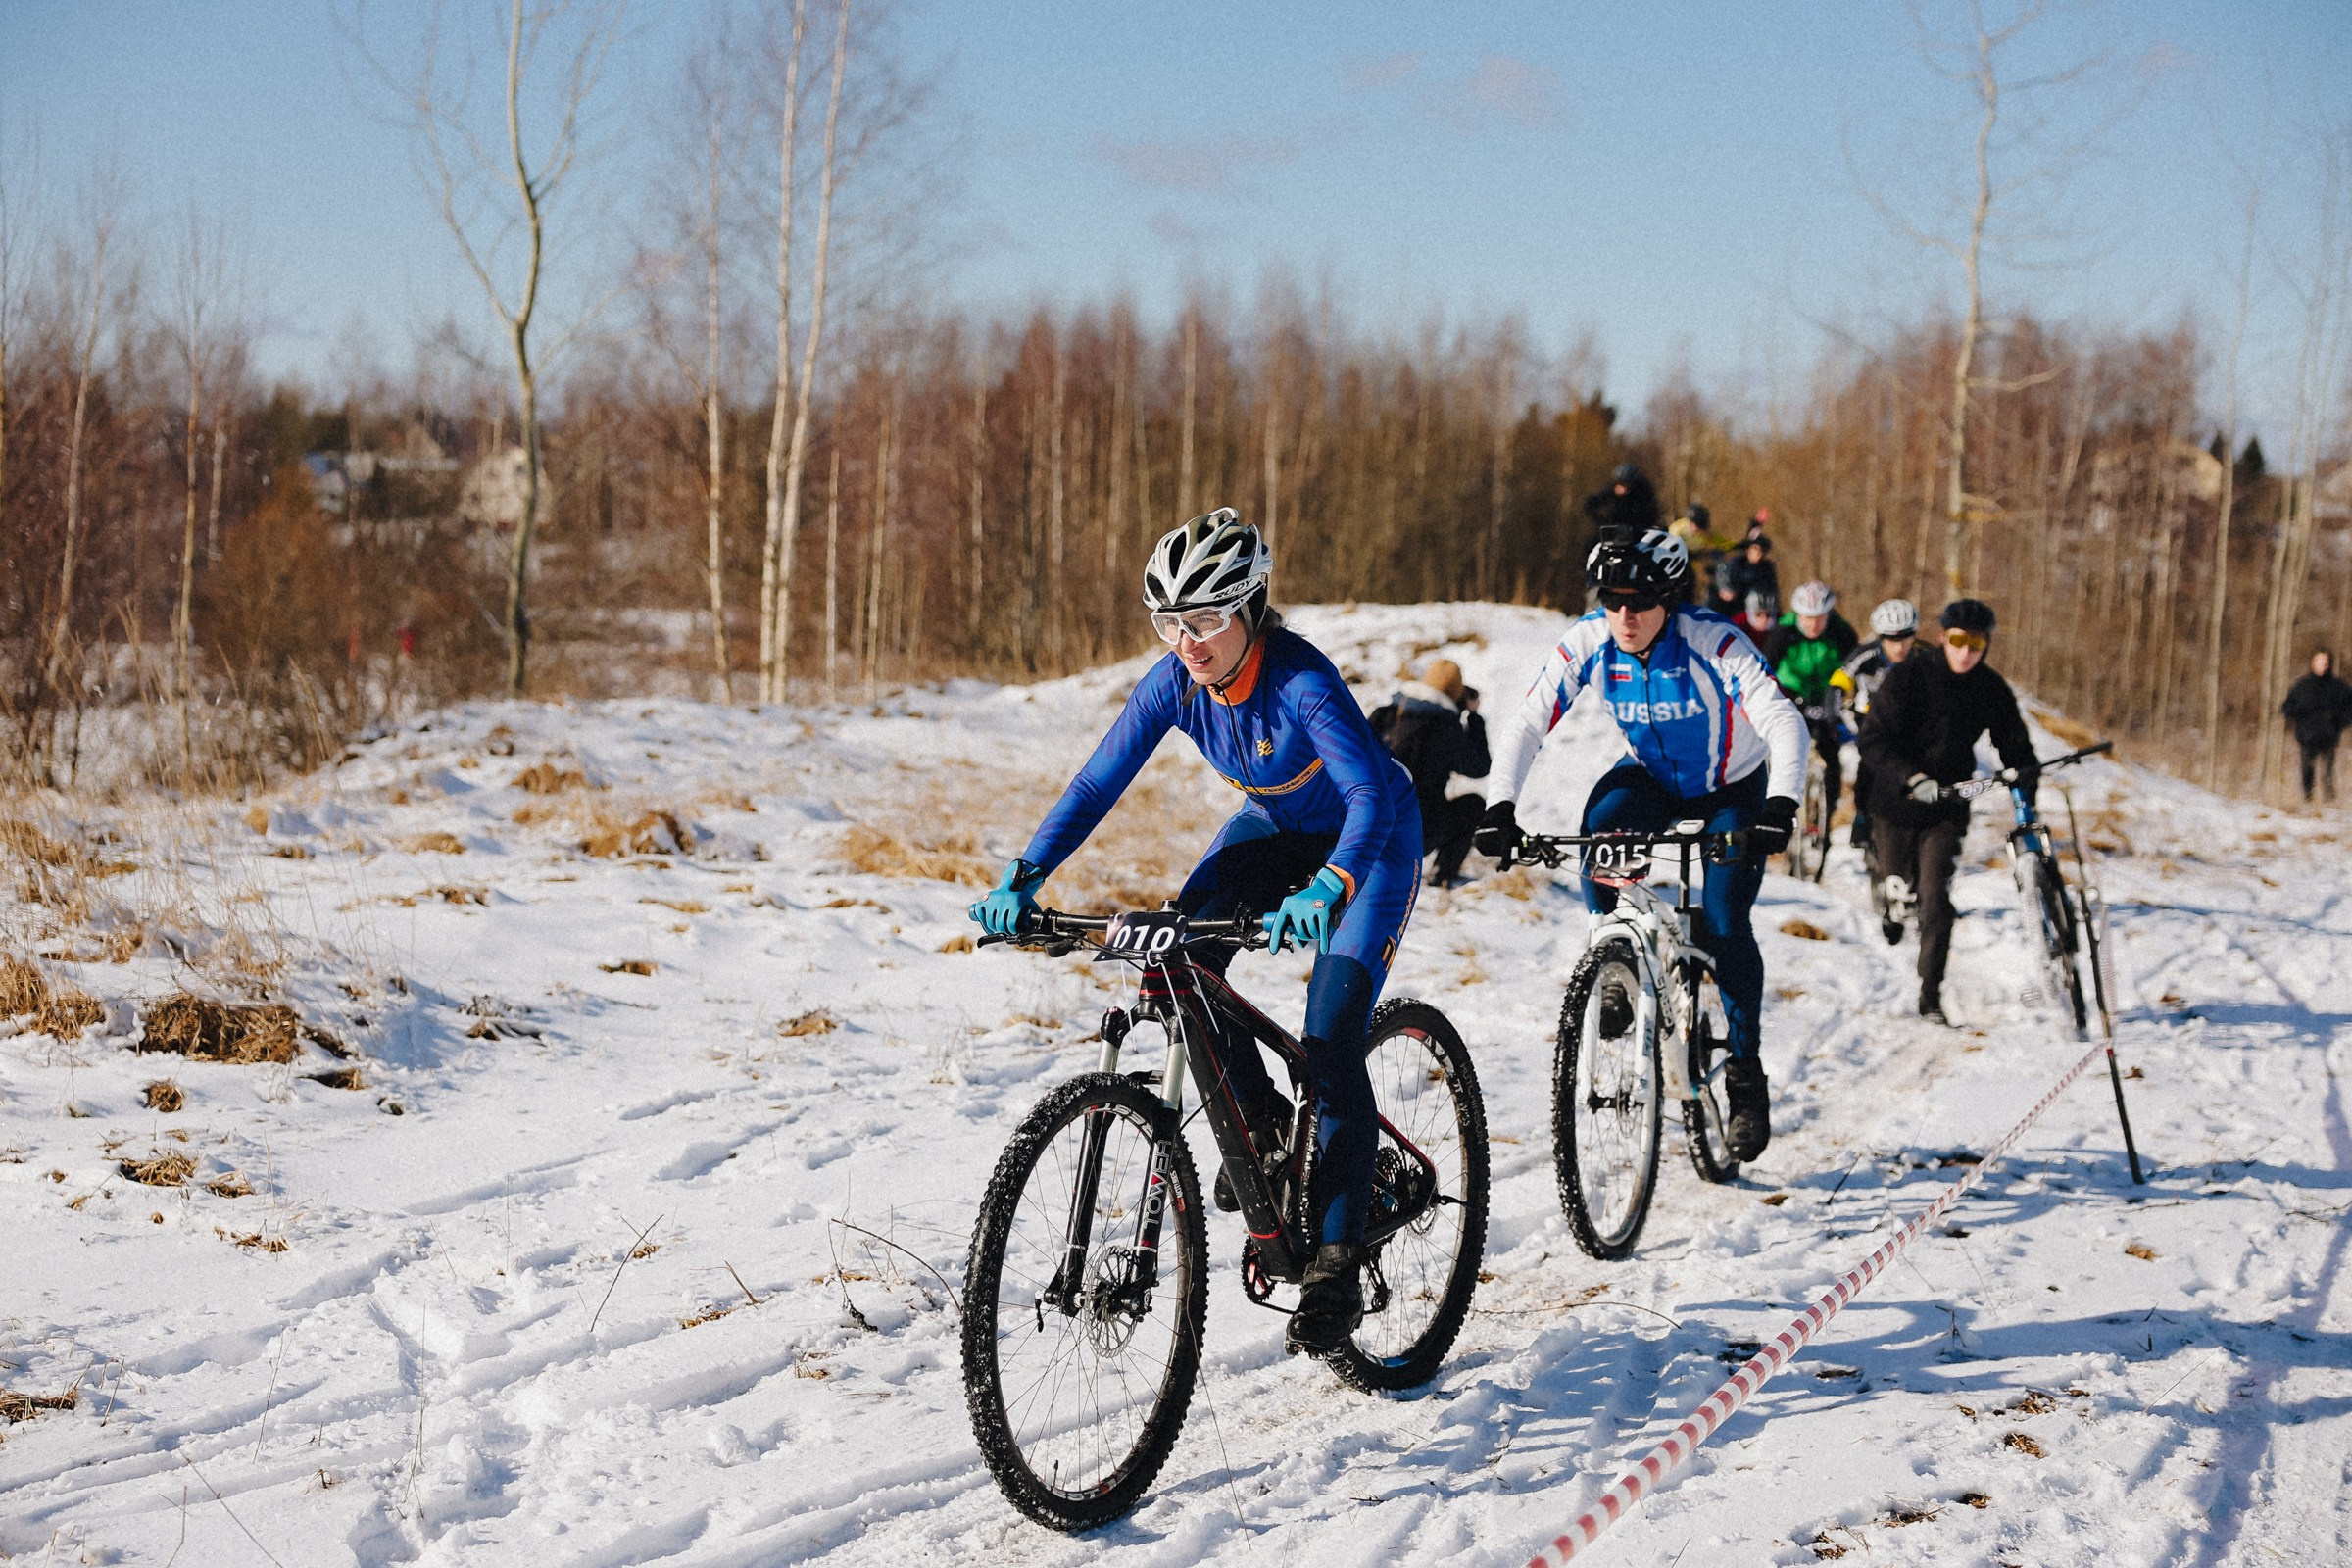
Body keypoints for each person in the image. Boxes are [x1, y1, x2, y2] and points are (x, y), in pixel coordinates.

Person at [969, 508, 1422, 1355]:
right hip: (1274, 829)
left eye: (1208, 618)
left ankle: (1336, 1260)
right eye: (1170, 622)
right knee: (1179, 958)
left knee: (1330, 1038)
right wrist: (1024, 876)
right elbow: (1098, 781)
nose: (1188, 640)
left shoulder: (1302, 683)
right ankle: (1262, 1132)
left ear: (1252, 608)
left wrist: (1330, 886)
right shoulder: (1174, 682)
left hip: (1374, 842)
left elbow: (1366, 799)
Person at [1472, 528, 1808, 1160]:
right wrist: (1501, 808)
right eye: (1611, 599)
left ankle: (1744, 1073)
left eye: (1640, 601)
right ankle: (1618, 958)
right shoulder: (1591, 642)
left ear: (1671, 599)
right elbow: (1526, 723)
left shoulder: (1714, 643)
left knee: (1727, 920)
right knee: (1599, 825)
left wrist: (1781, 804)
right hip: (1651, 779)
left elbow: (1782, 718)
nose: (1624, 615)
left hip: (1732, 787)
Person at [1856, 599, 2038, 1025]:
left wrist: (2024, 778)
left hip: (1947, 808)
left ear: (1986, 645)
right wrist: (1912, 778)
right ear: (1943, 638)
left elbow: (2015, 744)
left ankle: (1930, 995)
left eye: (1976, 643)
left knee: (1936, 901)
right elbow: (1873, 741)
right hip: (1894, 804)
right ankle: (1889, 890)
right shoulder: (1907, 678)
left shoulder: (1990, 688)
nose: (1965, 652)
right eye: (1958, 641)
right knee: (1898, 879)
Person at [1369, 658, 1492, 887]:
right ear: (1457, 695)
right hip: (1417, 834)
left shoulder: (1385, 714)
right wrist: (1473, 717)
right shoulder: (1447, 729)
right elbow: (1480, 767)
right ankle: (1442, 876)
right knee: (1473, 805)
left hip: (1371, 824)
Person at [1762, 581, 1861, 828]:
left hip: (1827, 695)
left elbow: (1856, 669)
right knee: (1788, 743)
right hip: (1790, 693)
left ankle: (1828, 808)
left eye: (1819, 619)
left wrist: (1846, 698)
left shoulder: (1842, 632)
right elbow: (1765, 669)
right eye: (1807, 618)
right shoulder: (1783, 632)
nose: (1813, 625)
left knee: (1830, 746)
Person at [1842, 599, 1919, 849]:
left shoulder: (1923, 656)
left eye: (1906, 637)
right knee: (1870, 764)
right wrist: (1837, 716)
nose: (1899, 646)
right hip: (1869, 721)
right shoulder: (1865, 655)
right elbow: (1838, 684)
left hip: (1910, 725)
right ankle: (1862, 817)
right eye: (1891, 639)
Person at [2280, 649, 2352, 804]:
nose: (2323, 665)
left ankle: (2329, 801)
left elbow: (2349, 708)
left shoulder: (2338, 687)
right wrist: (2298, 719)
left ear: (2330, 664)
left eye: (2325, 662)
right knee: (2307, 769)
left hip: (2329, 735)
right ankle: (2308, 798)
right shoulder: (2302, 686)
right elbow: (2287, 707)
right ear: (2313, 663)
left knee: (2328, 770)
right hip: (2307, 736)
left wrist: (2341, 723)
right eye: (2319, 661)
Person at [1584, 462, 1661, 546]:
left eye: (1626, 485)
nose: (1622, 489)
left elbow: (1651, 512)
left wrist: (1639, 527)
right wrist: (1603, 521)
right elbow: (1591, 505)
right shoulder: (1610, 489)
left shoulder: (1643, 492)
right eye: (1620, 484)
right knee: (1590, 544)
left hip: (1637, 529)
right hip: (1614, 527)